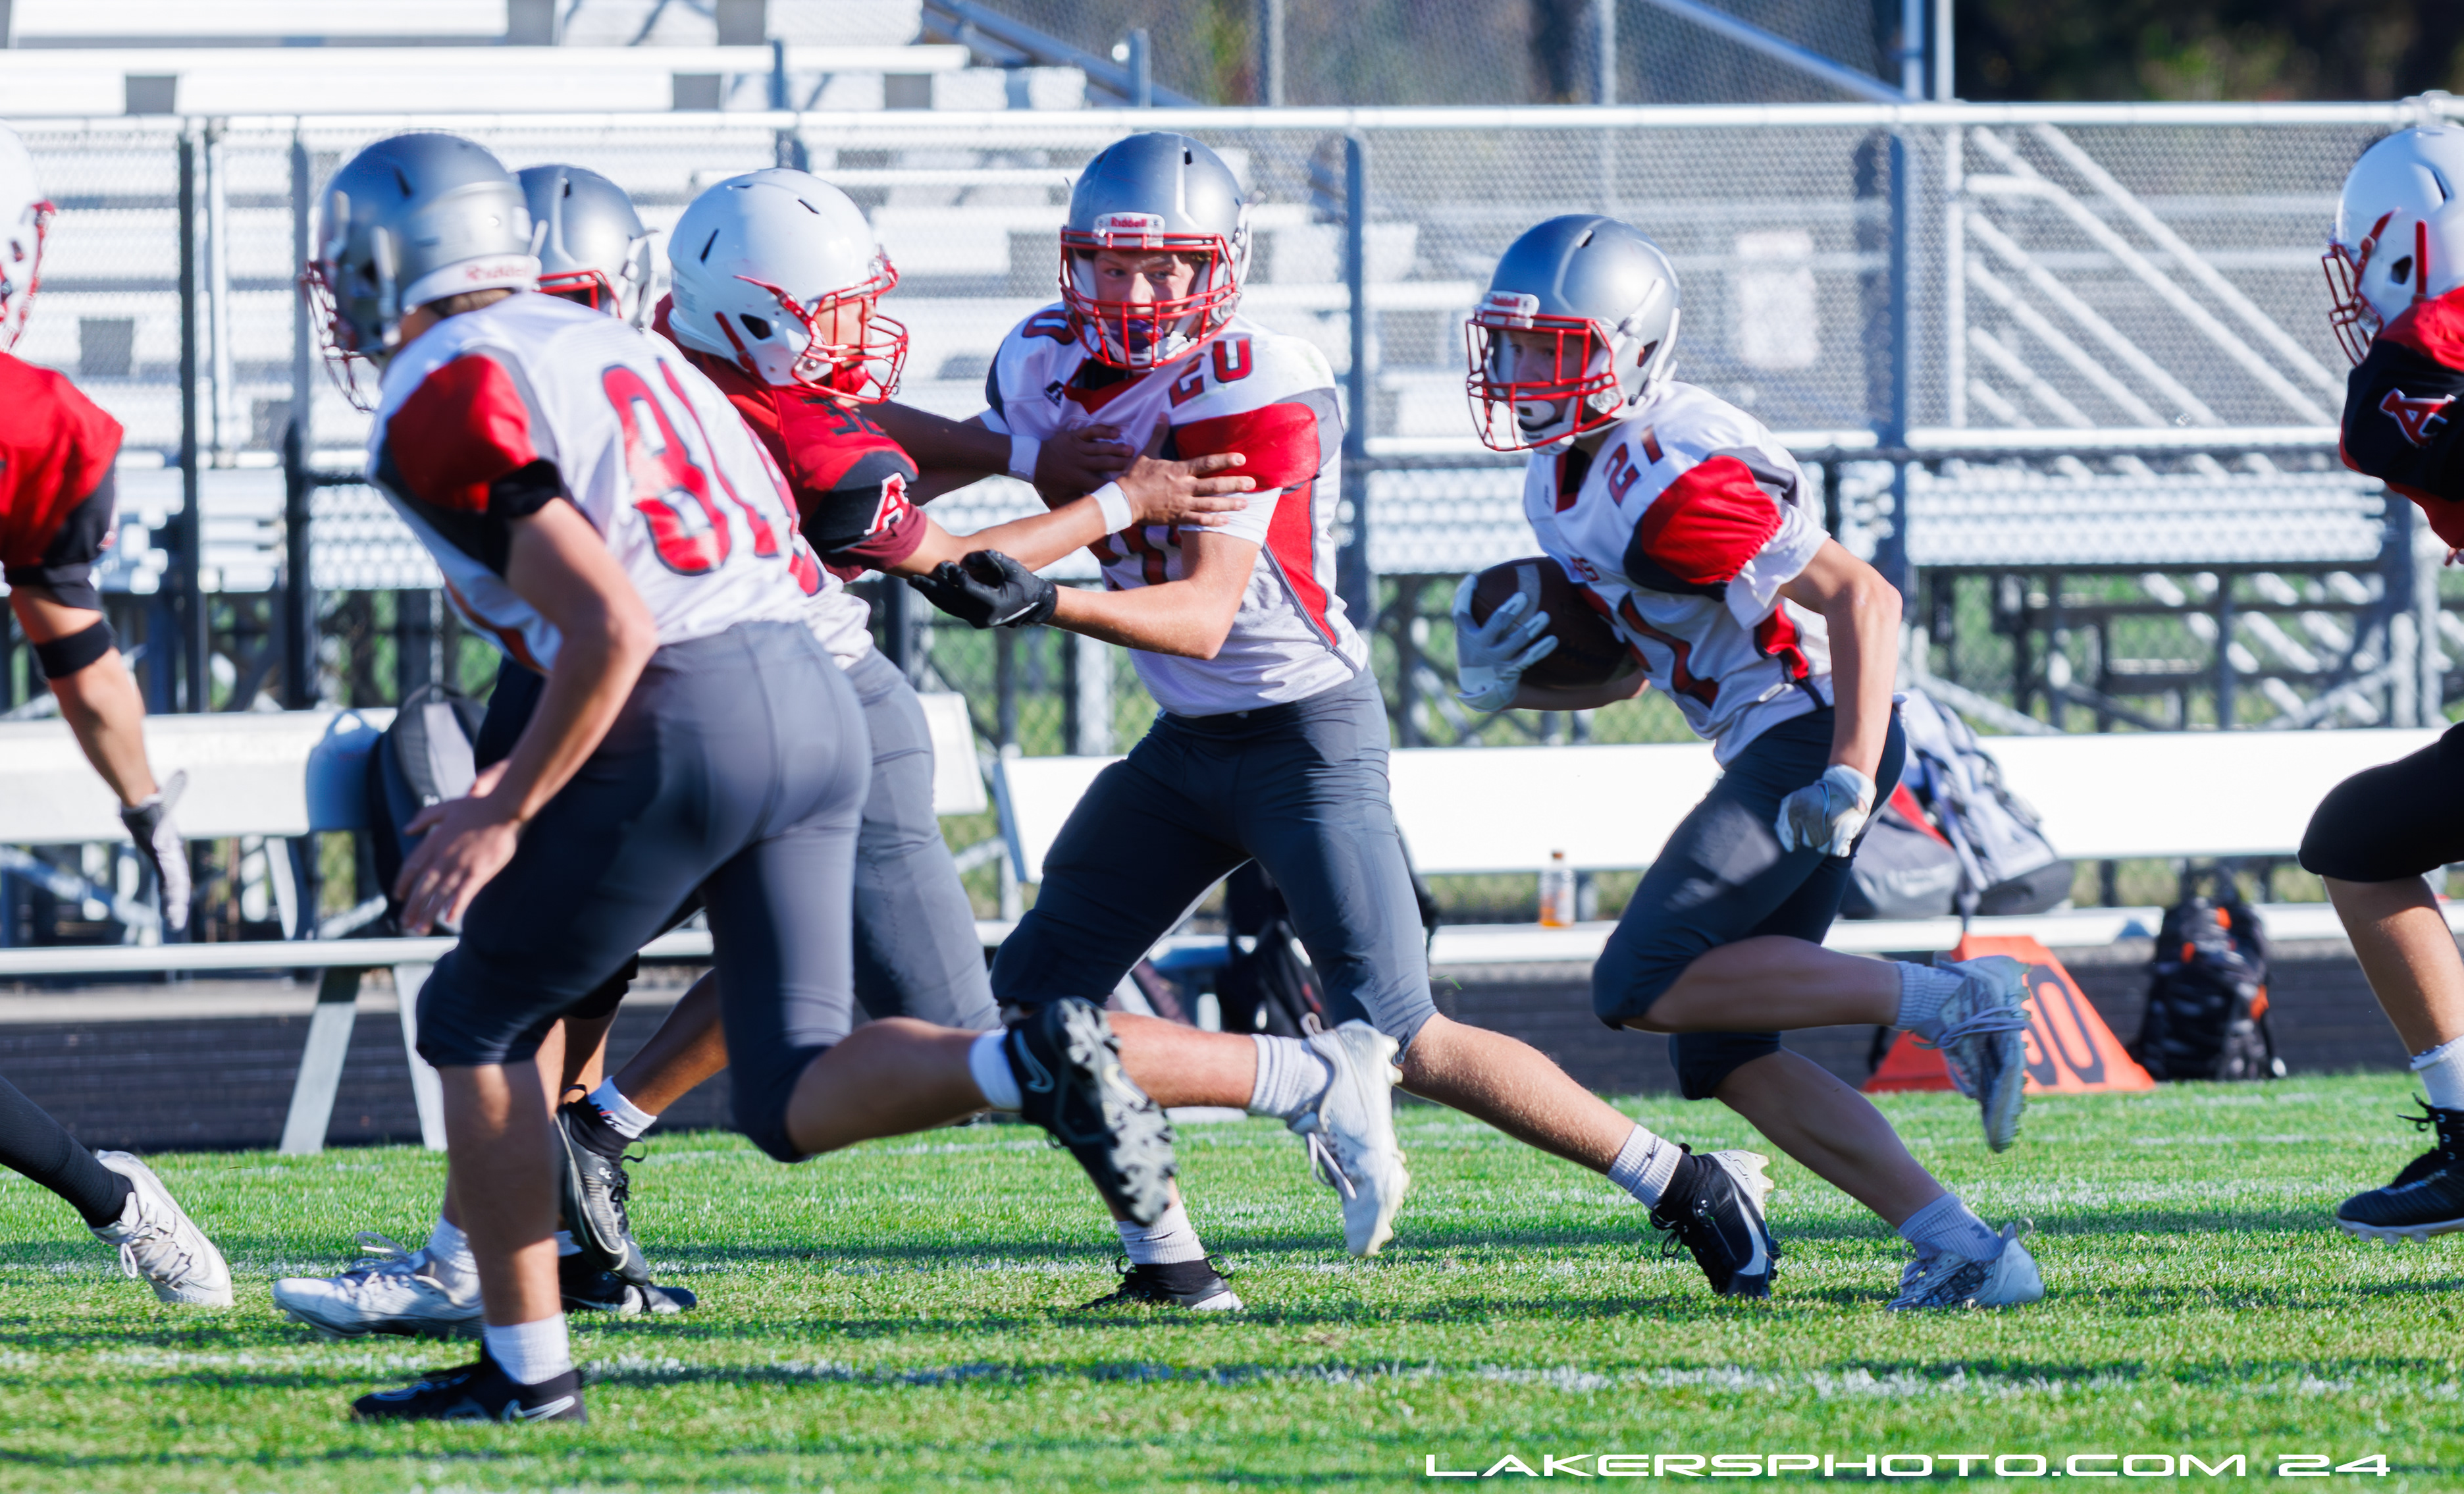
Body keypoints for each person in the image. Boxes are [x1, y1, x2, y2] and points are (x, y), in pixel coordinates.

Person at [273, 164, 1318, 1334]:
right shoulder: (654, 368)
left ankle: (1290, 1091)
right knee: (730, 1047)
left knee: (552, 998)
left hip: (707, 688)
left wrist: (1072, 481)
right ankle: (560, 1223)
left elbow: (905, 522)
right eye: (836, 315)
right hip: (752, 688)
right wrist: (1073, 478)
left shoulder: (647, 370)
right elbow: (837, 450)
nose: (859, 337)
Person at [918, 132, 1785, 1301]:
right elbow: (972, 472)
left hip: (1301, 734)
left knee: (1403, 1035)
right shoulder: (1037, 357)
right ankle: (1170, 1265)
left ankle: (1687, 1183)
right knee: (1036, 1008)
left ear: (1220, 266)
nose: (1132, 293)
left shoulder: (1256, 376)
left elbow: (1204, 617)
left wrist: (1048, 595)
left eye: (1164, 266)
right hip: (1185, 745)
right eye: (1110, 266)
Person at [1451, 213, 2043, 1311]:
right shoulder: (1561, 476)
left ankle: (1956, 997)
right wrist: (1508, 687)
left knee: (1639, 983)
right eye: (1516, 347)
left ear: (1631, 349)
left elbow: (1866, 598)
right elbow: (1630, 672)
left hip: (1809, 730)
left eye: (1554, 348)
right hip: (1770, 736)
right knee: (1720, 1052)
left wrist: (1850, 770)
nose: (1526, 373)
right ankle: (1966, 1249)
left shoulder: (1672, 470)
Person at [0, 96, 228, 1310]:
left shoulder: (30, 416)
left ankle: (114, 1198)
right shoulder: (33, 418)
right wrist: (146, 808)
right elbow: (79, 658)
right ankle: (116, 1199)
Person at [2304, 124, 2464, 1243]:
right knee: (2360, 832)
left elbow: (2399, 428)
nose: (2359, 283)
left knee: (2357, 838)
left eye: (2367, 254)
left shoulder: (2413, 365)